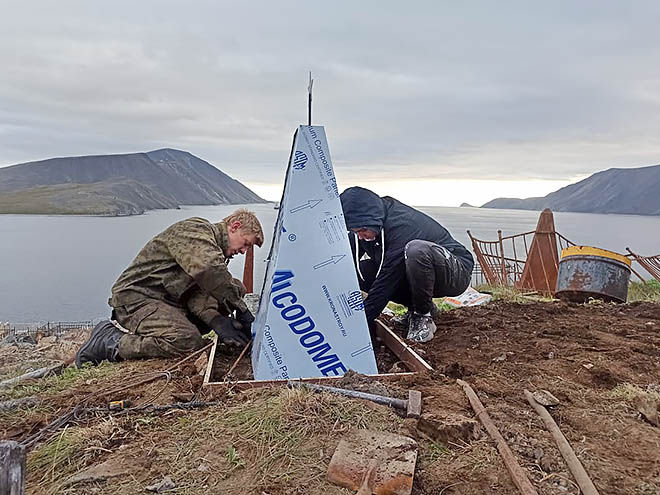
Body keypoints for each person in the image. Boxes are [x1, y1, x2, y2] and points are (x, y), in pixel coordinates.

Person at [75, 209, 264, 366]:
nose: (243, 251)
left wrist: (216, 320)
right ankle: (110, 341)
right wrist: (242, 308)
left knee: (234, 287)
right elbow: (208, 269)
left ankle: (177, 329)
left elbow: (197, 293)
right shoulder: (195, 230)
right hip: (137, 299)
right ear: (235, 227)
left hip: (167, 301)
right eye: (246, 243)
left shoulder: (213, 250)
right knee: (187, 341)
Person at [340, 187, 473, 343]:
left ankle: (422, 317)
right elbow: (342, 261)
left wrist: (362, 322)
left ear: (372, 218)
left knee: (416, 250)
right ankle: (423, 307)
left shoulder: (404, 225)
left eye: (361, 230)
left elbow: (388, 278)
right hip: (421, 272)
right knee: (363, 271)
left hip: (455, 272)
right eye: (355, 231)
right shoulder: (368, 227)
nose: (360, 236)